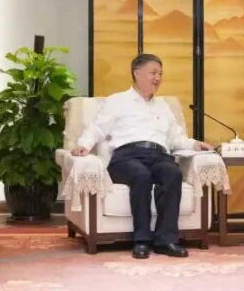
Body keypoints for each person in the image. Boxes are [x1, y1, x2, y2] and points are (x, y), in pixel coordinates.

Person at [70, 54, 213, 259]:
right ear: (137, 74)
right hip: (126, 157)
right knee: (141, 175)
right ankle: (142, 240)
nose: (158, 78)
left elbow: (175, 137)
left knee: (172, 173)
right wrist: (84, 145)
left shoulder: (163, 106)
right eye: (153, 73)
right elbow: (97, 128)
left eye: (160, 74)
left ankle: (166, 240)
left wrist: (194, 144)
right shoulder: (117, 101)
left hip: (159, 156)